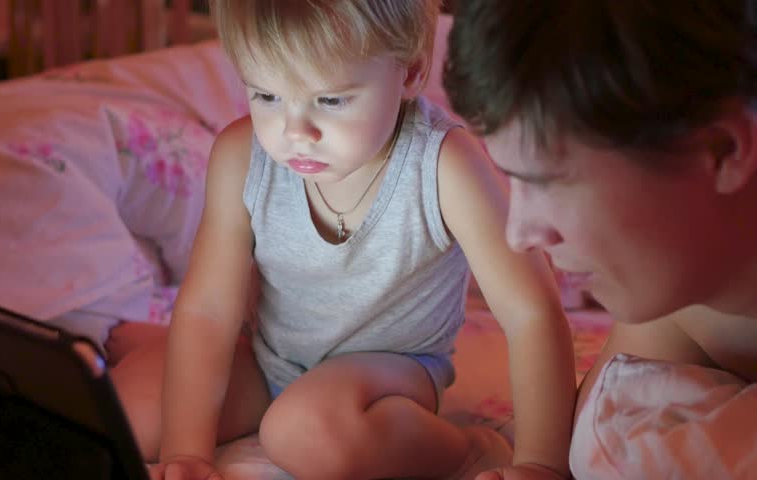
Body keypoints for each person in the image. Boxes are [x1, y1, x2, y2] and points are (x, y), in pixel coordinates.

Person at [113, 1, 577, 479]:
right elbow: (209, 310)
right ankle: (142, 348)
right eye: (266, 95)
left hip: (388, 373)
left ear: (411, 73)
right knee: (123, 416)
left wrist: (542, 462)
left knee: (302, 431)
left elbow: (531, 312)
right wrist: (186, 455)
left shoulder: (443, 165)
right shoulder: (240, 157)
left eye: (331, 100)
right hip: (267, 357)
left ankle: (466, 449)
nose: (296, 132)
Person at [444, 0, 757, 477]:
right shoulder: (679, 312)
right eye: (513, 180)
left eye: (548, 181)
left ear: (721, 151)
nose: (520, 234)